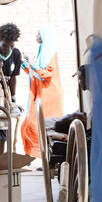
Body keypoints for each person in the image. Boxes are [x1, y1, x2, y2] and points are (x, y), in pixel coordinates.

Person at [20, 25, 65, 158]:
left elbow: (45, 74)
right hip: (41, 93)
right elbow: (35, 74)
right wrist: (25, 63)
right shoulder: (42, 54)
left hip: (49, 95)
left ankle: (45, 157)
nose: (36, 36)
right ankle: (33, 156)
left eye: (38, 34)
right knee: (33, 124)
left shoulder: (50, 55)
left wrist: (31, 64)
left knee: (43, 127)